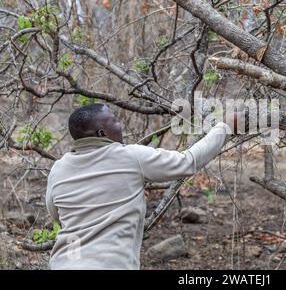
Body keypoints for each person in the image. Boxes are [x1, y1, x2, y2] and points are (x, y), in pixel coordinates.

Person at [45, 103, 238, 269]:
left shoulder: (59, 168)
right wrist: (225, 126)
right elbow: (187, 162)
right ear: (102, 133)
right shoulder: (130, 157)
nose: (120, 126)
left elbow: (57, 215)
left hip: (64, 263)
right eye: (115, 121)